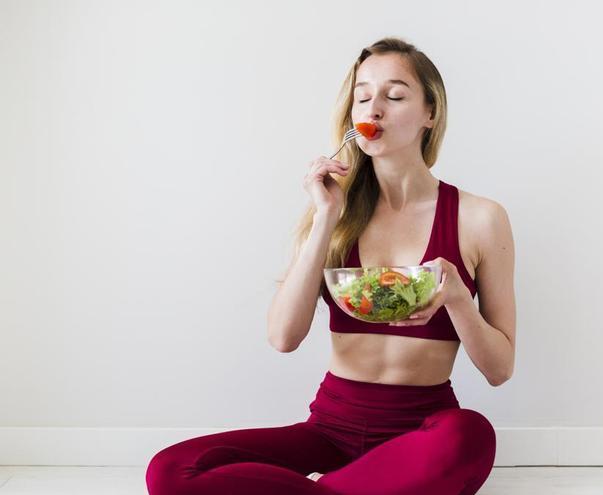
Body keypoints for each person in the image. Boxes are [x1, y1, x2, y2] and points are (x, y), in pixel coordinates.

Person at [145, 36, 516, 495]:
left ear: (430, 113)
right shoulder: (335, 212)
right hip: (330, 430)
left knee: (470, 434)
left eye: (395, 95)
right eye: (363, 96)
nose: (374, 108)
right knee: (170, 470)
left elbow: (500, 369)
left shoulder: (481, 218)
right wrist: (325, 217)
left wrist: (458, 297)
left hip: (421, 434)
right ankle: (351, 489)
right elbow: (284, 337)